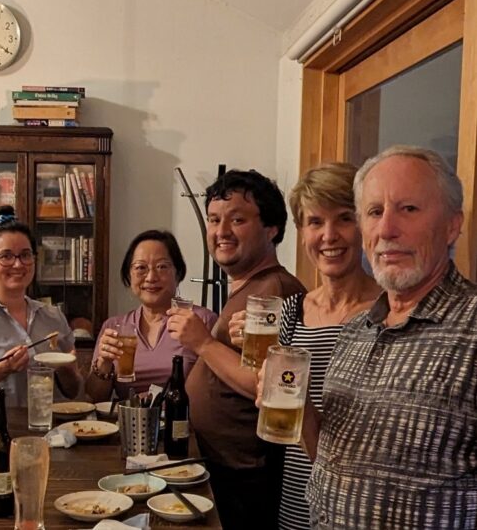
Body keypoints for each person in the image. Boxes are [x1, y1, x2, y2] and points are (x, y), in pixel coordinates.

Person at [283, 146, 477, 528]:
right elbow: (329, 454)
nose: (386, 229)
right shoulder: (357, 330)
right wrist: (301, 410)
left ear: (453, 225)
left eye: (408, 209)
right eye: (374, 212)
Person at [230, 163, 379, 530]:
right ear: (301, 232)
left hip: (355, 510)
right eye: (315, 222)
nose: (329, 235)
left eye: (344, 218)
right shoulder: (292, 311)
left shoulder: (386, 313)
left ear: (364, 225)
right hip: (294, 502)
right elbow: (266, 387)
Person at [166, 169, 306, 530]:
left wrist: (203, 342)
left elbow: (266, 386)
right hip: (222, 466)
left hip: (246, 475)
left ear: (271, 228)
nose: (221, 231)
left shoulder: (273, 289)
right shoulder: (251, 287)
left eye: (237, 219)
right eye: (214, 220)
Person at [0, 205, 82, 425]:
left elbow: (73, 392)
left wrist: (68, 370)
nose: (18, 264)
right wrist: (1, 369)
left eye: (25, 255)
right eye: (6, 256)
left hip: (52, 430)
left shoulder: (53, 316)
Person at [85, 230, 217, 401]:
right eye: (141, 268)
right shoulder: (114, 326)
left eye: (162, 267)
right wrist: (104, 364)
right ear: (128, 275)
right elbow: (94, 397)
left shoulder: (202, 320)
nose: (151, 277)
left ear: (178, 273)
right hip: (130, 423)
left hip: (180, 423)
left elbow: (215, 396)